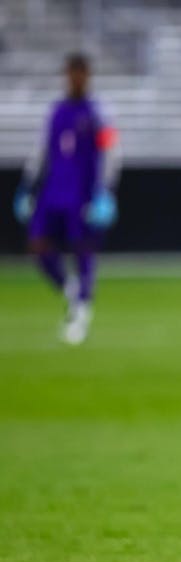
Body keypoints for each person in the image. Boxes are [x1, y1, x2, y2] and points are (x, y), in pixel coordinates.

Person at [13, 53, 121, 345]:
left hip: (82, 193)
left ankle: (81, 312)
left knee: (83, 250)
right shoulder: (56, 111)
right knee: (38, 245)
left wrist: (105, 191)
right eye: (71, 73)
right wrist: (27, 185)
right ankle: (72, 289)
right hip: (53, 191)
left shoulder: (100, 113)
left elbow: (111, 152)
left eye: (81, 74)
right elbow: (41, 151)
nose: (76, 79)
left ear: (88, 76)